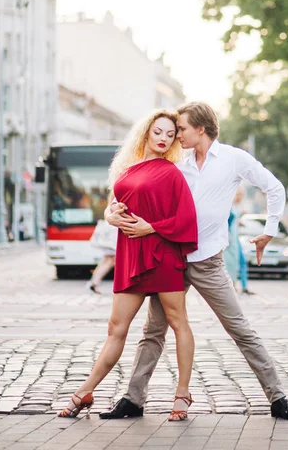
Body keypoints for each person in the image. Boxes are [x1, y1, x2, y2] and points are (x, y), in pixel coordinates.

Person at [104, 101, 288, 421]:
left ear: (200, 129)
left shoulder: (233, 159)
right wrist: (113, 214)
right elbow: (132, 197)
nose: (175, 135)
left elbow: (273, 187)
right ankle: (133, 399)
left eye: (181, 129)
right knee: (153, 331)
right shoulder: (177, 164)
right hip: (172, 257)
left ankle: (278, 397)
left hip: (208, 260)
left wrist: (269, 230)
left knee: (239, 328)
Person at [58, 110, 198, 421]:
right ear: (147, 132)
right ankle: (86, 391)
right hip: (130, 255)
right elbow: (111, 207)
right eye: (158, 132)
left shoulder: (173, 173)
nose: (163, 139)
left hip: (162, 254)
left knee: (178, 324)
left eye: (170, 135)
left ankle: (182, 394)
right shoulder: (126, 168)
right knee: (116, 329)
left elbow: (187, 218)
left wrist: (152, 228)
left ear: (175, 141)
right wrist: (111, 215)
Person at [86, 221, 118, 294]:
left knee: (104, 262)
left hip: (107, 243)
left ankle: (93, 282)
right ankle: (94, 283)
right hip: (111, 244)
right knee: (108, 263)